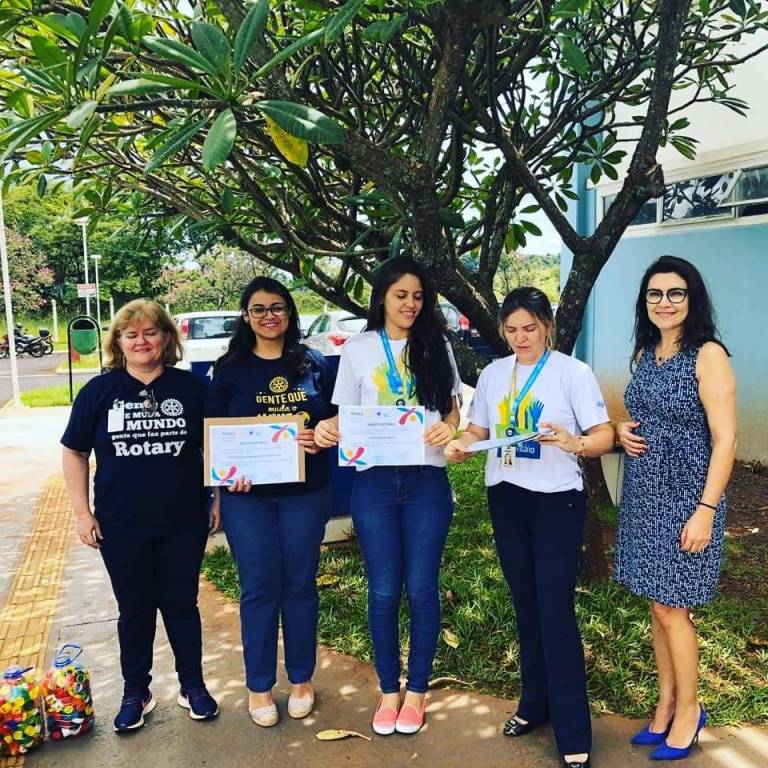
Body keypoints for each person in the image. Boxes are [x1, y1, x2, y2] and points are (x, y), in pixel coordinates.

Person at [445, 287, 614, 768]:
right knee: (526, 606)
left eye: (530, 328)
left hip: (557, 500)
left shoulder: (572, 373)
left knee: (554, 610)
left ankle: (573, 730)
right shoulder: (494, 374)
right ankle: (534, 704)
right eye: (512, 329)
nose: (521, 338)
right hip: (506, 496)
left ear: (547, 327)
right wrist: (461, 443)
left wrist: (575, 443)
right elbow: (479, 431)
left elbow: (603, 436)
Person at [315, 257, 462, 736]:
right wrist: (328, 428)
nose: (410, 304)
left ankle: (416, 691)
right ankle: (388, 690)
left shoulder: (436, 345)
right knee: (382, 590)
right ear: (382, 297)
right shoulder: (358, 349)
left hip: (426, 480)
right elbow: (345, 416)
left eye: (418, 296)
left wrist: (449, 428)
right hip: (375, 482)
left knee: (421, 588)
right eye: (401, 295)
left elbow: (453, 411)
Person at [61, 299, 219, 733]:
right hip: (120, 524)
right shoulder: (98, 392)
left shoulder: (192, 389)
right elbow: (74, 451)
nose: (141, 341)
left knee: (181, 604)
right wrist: (82, 513)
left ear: (167, 338)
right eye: (130, 334)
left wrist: (218, 498)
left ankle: (193, 685)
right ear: (118, 342)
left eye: (150, 332)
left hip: (183, 520)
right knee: (134, 609)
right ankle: (136, 692)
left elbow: (215, 445)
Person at [614, 256, 736, 761]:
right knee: (657, 605)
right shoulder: (648, 351)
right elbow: (642, 413)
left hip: (688, 497)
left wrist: (706, 509)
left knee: (673, 608)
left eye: (675, 293)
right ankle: (665, 705)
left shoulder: (708, 354)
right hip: (645, 494)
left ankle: (690, 710)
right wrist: (621, 429)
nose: (664, 302)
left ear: (692, 299)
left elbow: (726, 439)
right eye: (655, 294)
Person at [206, 276, 336, 727]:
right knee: (259, 586)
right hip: (248, 499)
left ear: (289, 313)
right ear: (246, 316)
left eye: (277, 307)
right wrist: (225, 477)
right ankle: (258, 685)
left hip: (306, 493)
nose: (268, 316)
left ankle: (301, 680)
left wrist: (322, 436)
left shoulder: (314, 364)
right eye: (258, 309)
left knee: (300, 584)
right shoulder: (229, 370)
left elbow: (337, 421)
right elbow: (212, 437)